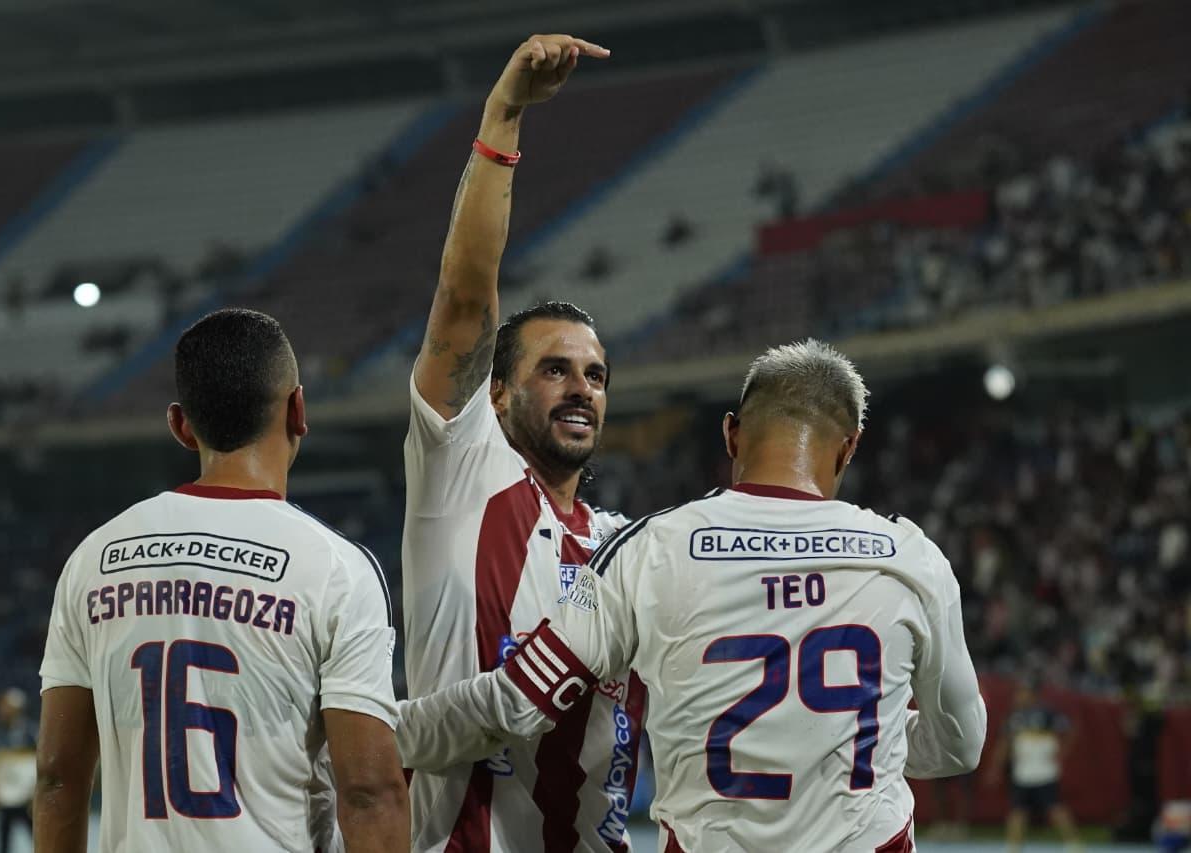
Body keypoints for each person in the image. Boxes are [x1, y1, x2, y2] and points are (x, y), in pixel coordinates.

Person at [397, 339, 988, 851]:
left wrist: (376, 730)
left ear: (731, 432)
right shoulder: (912, 559)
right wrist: (837, 739)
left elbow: (518, 700)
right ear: (849, 446)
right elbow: (961, 744)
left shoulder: (651, 548)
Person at [35, 308, 409, 853]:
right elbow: (370, 792)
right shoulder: (335, 569)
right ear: (298, 410)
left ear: (182, 426)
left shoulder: (93, 559)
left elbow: (57, 777)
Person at [402, 33, 647, 853]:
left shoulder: (623, 548)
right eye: (555, 369)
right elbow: (466, 297)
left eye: (597, 373)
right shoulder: (462, 476)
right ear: (497, 395)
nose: (583, 386)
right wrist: (502, 118)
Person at [986, 680, 1082, 853]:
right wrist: (996, 767)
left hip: (1045, 771)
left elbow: (1070, 729)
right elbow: (1004, 743)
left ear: (1033, 694)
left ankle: (1073, 843)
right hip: (1023, 771)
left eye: (1023, 692)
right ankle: (1013, 846)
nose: (1018, 696)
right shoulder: (1014, 716)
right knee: (1017, 810)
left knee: (1055, 807)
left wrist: (1061, 753)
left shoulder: (1048, 713)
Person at [0, 688, 38, 853]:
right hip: (5, 797)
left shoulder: (31, 732)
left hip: (26, 797)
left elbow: (38, 763)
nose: (2, 709)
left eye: (6, 706)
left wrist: (35, 791)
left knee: (38, 839)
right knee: (3, 842)